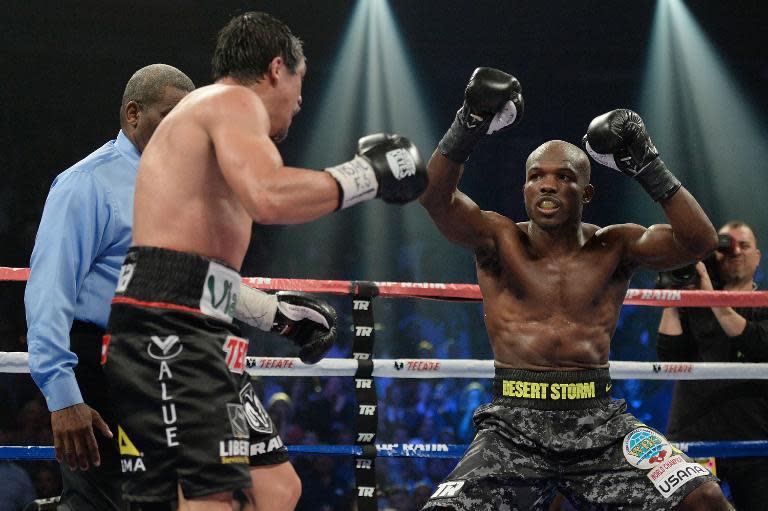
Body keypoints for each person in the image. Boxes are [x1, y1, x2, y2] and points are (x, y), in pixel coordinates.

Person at [102, 11, 428, 510]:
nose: (299, 102)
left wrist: (272, 313)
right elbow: (269, 197)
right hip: (170, 334)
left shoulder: (208, 120)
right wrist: (368, 175)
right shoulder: (231, 100)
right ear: (277, 68)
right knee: (207, 500)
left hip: (194, 324)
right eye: (299, 83)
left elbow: (191, 264)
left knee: (276, 489)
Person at [419, 67, 732, 510]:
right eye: (537, 175)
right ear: (525, 187)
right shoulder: (498, 239)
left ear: (586, 193)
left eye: (565, 176)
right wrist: (467, 123)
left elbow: (699, 241)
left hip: (601, 423)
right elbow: (435, 198)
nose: (548, 183)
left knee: (704, 497)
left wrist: (648, 165)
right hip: (512, 425)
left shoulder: (616, 245)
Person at [24, 64, 195, 511]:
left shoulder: (187, 184)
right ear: (134, 114)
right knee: (98, 504)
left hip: (167, 364)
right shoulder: (87, 184)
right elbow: (48, 295)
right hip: (99, 364)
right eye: (170, 115)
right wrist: (64, 399)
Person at [657, 220, 768, 510]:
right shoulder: (694, 304)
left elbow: (757, 343)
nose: (735, 252)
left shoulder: (765, 305)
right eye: (727, 247)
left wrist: (711, 296)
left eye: (744, 245)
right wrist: (673, 297)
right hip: (695, 438)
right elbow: (670, 359)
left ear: (757, 258)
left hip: (754, 441)